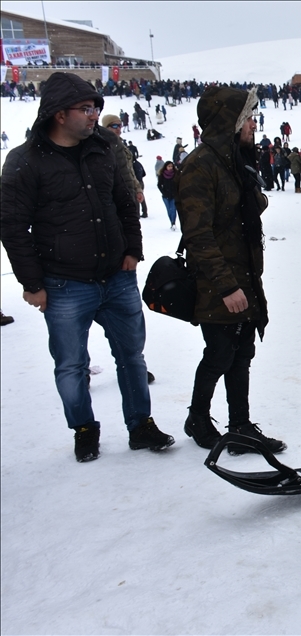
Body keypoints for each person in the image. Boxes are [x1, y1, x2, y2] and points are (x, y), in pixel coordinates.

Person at [0, 72, 174, 462]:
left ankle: (141, 425)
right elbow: (12, 226)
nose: (95, 114)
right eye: (86, 108)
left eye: (96, 107)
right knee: (70, 365)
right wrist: (32, 283)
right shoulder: (25, 160)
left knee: (132, 356)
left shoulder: (104, 147)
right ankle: (84, 429)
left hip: (117, 275)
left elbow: (125, 201)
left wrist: (133, 250)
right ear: (59, 114)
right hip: (63, 283)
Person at [176, 85, 285, 455]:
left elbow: (241, 212)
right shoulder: (201, 165)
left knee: (241, 353)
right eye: (247, 117)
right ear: (230, 122)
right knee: (221, 353)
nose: (254, 124)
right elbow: (198, 234)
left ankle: (240, 425)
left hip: (244, 275)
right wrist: (226, 286)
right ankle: (198, 418)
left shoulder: (234, 160)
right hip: (218, 281)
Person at [157, 161, 179, 229]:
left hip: (174, 195)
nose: (170, 168)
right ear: (166, 167)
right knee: (169, 210)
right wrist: (163, 192)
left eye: (171, 166)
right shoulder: (162, 175)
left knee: (173, 209)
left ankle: (173, 222)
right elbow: (159, 185)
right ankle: (171, 222)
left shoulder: (176, 174)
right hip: (165, 195)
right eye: (169, 166)